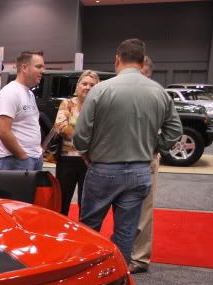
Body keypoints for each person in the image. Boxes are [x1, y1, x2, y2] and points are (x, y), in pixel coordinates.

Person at [73, 39, 181, 266]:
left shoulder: (100, 90)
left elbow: (81, 133)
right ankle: (118, 274)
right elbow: (174, 131)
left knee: (89, 225)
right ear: (142, 62)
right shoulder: (159, 92)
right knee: (126, 230)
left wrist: (85, 153)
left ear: (117, 59)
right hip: (140, 171)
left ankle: (86, 271)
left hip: (103, 169)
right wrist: (154, 146)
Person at [129, 55, 160, 274]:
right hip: (121, 158)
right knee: (124, 209)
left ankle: (139, 258)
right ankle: (123, 252)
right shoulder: (122, 93)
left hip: (146, 157)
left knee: (144, 211)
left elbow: (172, 128)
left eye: (144, 74)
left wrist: (156, 148)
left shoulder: (156, 95)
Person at [53, 70, 100, 215]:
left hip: (90, 161)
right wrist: (86, 138)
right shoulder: (67, 104)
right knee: (62, 202)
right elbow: (61, 127)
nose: (87, 87)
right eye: (84, 83)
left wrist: (74, 131)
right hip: (67, 160)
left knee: (87, 204)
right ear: (78, 85)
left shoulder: (100, 106)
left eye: (92, 85)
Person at [0, 50, 46, 170]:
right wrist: (22, 156)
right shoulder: (10, 92)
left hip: (33, 158)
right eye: (38, 67)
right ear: (24, 68)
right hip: (16, 160)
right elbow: (3, 131)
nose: (42, 71)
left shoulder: (29, 93)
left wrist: (37, 152)